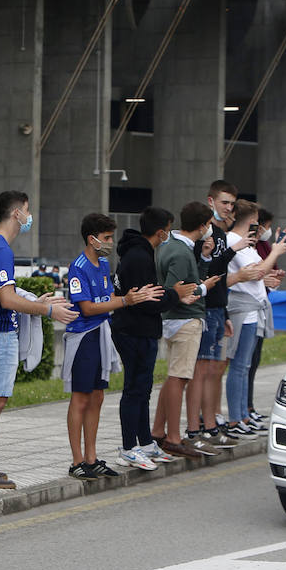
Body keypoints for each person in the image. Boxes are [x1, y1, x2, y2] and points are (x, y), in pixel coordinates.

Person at [0, 191, 77, 489]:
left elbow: (4, 294)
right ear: (16, 214)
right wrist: (48, 310)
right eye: (27, 211)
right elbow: (6, 300)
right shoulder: (0, 248)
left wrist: (34, 301)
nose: (29, 217)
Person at [64, 214, 162, 479]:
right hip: (83, 336)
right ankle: (76, 461)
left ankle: (92, 457)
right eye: (106, 238)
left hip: (102, 335)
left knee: (97, 396)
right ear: (91, 238)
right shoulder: (79, 266)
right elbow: (87, 307)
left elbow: (107, 296)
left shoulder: (104, 263)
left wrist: (129, 297)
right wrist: (125, 301)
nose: (110, 242)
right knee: (81, 397)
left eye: (110, 237)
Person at [111, 207, 196, 470]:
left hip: (143, 330)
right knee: (134, 390)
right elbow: (146, 300)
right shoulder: (138, 256)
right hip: (132, 330)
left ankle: (145, 442)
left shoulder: (142, 253)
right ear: (161, 231)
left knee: (144, 389)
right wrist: (175, 294)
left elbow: (151, 295)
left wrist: (171, 294)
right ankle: (128, 448)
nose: (169, 235)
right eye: (168, 230)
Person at [152, 201, 220, 459]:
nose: (210, 230)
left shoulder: (172, 245)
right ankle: (172, 436)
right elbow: (177, 290)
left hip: (174, 321)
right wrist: (204, 288)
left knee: (174, 377)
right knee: (178, 379)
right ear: (202, 226)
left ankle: (158, 432)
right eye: (209, 226)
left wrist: (202, 260)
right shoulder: (180, 252)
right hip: (184, 320)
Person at [191, 180, 251, 450]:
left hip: (217, 309)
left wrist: (225, 310)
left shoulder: (221, 234)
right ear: (211, 201)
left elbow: (219, 276)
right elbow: (207, 272)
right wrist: (231, 252)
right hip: (203, 309)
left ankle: (211, 423)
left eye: (231, 204)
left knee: (214, 369)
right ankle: (200, 427)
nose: (228, 208)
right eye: (224, 202)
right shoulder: (207, 233)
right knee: (202, 371)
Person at [223, 201, 286, 439]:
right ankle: (235, 418)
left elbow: (259, 273)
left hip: (254, 308)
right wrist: (275, 253)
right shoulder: (232, 241)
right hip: (242, 307)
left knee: (245, 365)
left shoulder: (248, 245)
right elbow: (256, 271)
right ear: (252, 221)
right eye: (257, 220)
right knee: (239, 366)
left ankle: (243, 416)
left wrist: (270, 275)